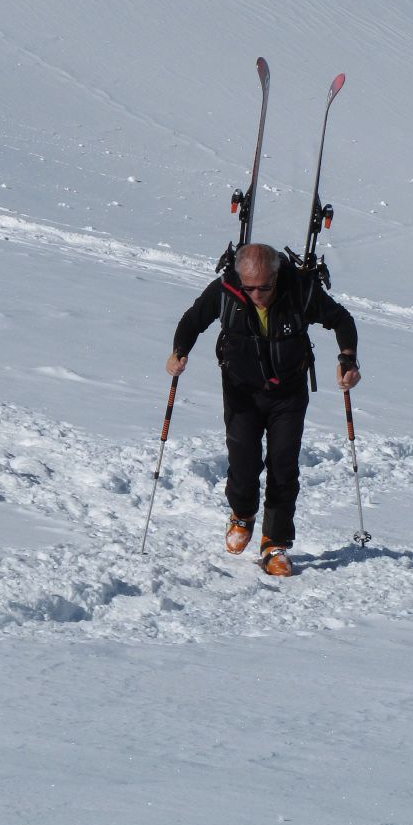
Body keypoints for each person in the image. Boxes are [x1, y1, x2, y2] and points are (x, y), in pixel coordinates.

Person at [166, 242, 361, 576]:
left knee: (283, 463)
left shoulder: (301, 291)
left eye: (264, 287)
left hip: (288, 392)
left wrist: (347, 359)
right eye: (250, 287)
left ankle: (275, 544)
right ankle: (242, 514)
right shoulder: (226, 290)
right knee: (243, 459)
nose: (257, 294)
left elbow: (341, 320)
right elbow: (193, 319)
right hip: (241, 390)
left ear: (276, 276)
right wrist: (179, 351)